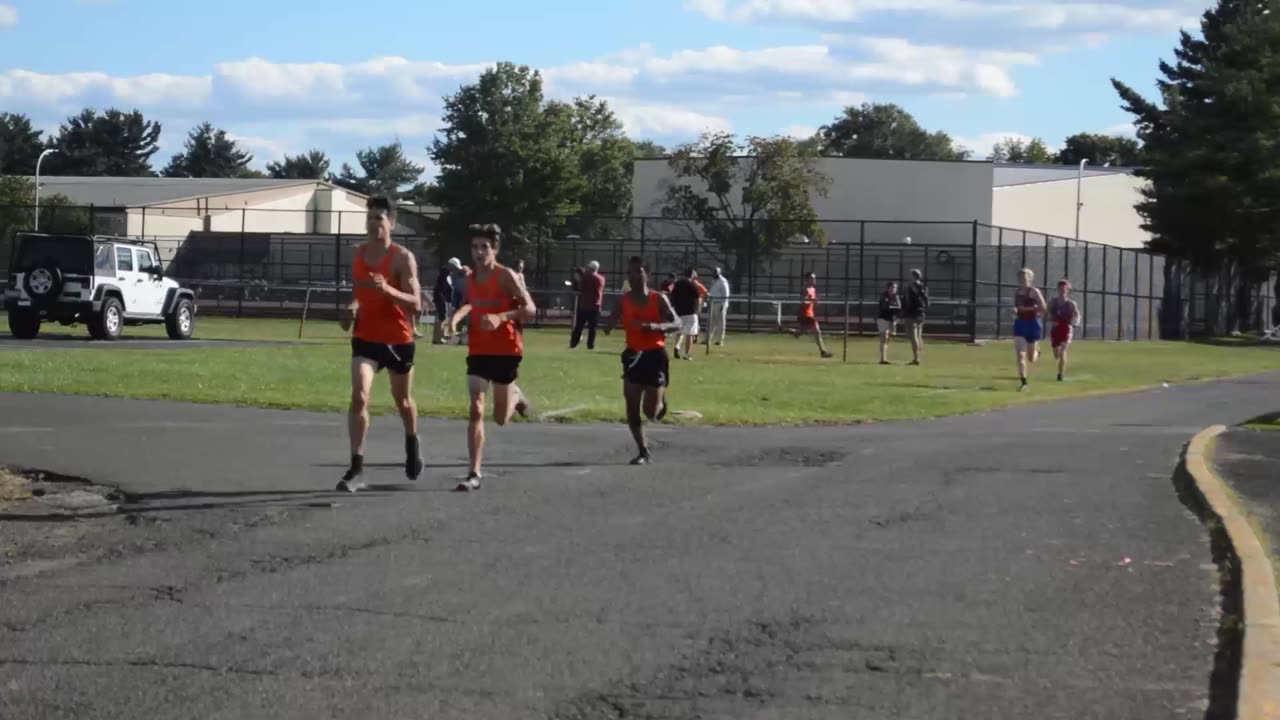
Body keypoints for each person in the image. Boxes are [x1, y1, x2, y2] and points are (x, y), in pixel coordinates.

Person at [336, 196, 424, 493]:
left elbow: (417, 303)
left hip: (398, 339)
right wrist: (351, 309)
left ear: (391, 224)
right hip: (366, 338)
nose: (374, 224)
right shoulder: (358, 255)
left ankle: (412, 441)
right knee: (359, 396)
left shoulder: (402, 258)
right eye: (370, 217)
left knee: (403, 402)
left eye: (379, 219)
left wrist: (387, 289)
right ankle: (357, 468)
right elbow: (358, 294)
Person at [449, 223, 537, 492]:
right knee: (476, 407)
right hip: (478, 349)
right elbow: (470, 304)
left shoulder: (505, 275)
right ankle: (474, 472)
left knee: (500, 418)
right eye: (474, 247)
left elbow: (530, 309)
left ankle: (515, 395)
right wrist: (453, 320)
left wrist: (502, 317)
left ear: (494, 249)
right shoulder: (471, 278)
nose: (478, 252)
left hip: (506, 349)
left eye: (484, 247)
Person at [604, 256, 681, 465]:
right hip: (632, 356)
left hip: (655, 356)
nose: (633, 276)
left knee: (651, 413)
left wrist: (656, 327)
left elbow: (678, 323)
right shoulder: (623, 300)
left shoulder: (659, 299)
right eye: (630, 272)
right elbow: (612, 318)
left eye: (638, 271)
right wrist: (608, 324)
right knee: (631, 405)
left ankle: (661, 396)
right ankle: (643, 451)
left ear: (647, 274)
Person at [782, 272, 834, 358]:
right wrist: (811, 300)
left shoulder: (813, 289)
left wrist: (815, 301)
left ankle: (782, 329)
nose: (814, 280)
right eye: (812, 278)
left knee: (799, 333)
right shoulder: (805, 289)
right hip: (805, 314)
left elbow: (811, 301)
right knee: (817, 331)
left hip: (810, 314)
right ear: (807, 280)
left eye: (814, 278)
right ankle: (823, 352)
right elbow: (803, 302)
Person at [1012, 267, 1048, 391]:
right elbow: (1017, 308)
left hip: (1032, 324)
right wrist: (1015, 311)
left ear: (1030, 279)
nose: (1022, 280)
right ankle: (1024, 383)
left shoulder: (1034, 292)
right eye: (1020, 278)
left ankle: (1037, 353)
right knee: (1020, 355)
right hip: (1020, 324)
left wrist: (1027, 309)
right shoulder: (1017, 292)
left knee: (1031, 358)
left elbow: (1044, 308)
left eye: (1025, 278)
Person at [669, 268, 707, 359]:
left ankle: (677, 346)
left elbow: (672, 295)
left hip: (679, 311)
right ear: (692, 275)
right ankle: (686, 354)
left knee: (679, 332)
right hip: (690, 312)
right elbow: (697, 296)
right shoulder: (692, 284)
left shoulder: (677, 284)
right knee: (689, 334)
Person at [1048, 278, 1081, 382]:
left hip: (1066, 328)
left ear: (1068, 290)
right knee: (1056, 354)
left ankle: (1060, 374)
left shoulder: (1071, 304)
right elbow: (1048, 313)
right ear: (1058, 289)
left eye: (1065, 288)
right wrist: (1051, 319)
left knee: (1063, 351)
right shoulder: (1053, 302)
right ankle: (1056, 353)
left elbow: (1077, 314)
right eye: (1060, 288)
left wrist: (1076, 322)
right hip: (1056, 329)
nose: (1062, 290)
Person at [571, 260, 605, 350]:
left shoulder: (586, 278)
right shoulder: (601, 278)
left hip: (585, 305)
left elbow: (581, 288)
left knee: (579, 326)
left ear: (590, 268)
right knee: (592, 328)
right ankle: (590, 345)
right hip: (596, 306)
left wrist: (579, 279)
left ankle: (573, 343)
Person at [902, 269, 929, 365]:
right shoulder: (923, 286)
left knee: (913, 336)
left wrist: (904, 312)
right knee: (918, 335)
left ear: (913, 276)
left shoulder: (911, 286)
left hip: (912, 313)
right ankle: (918, 355)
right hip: (920, 313)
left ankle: (916, 358)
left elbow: (907, 301)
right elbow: (925, 299)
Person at [877, 281, 902, 365]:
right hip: (883, 318)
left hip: (892, 319)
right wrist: (893, 306)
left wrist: (893, 306)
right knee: (884, 338)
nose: (893, 289)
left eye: (895, 288)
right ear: (888, 288)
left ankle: (884, 356)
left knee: (889, 338)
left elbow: (899, 307)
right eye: (892, 287)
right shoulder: (883, 295)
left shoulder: (896, 296)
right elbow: (885, 307)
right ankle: (883, 359)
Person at [431, 263, 453, 344]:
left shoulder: (440, 279)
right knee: (441, 318)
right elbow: (447, 290)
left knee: (439, 319)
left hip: (439, 300)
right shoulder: (445, 278)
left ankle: (437, 337)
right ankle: (439, 338)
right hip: (441, 300)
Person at [708, 267, 730, 346]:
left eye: (716, 272)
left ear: (719, 273)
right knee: (711, 322)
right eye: (713, 272)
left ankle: (720, 340)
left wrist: (723, 305)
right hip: (713, 303)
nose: (714, 274)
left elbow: (726, 294)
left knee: (721, 322)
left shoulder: (723, 281)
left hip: (720, 303)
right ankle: (708, 339)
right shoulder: (713, 280)